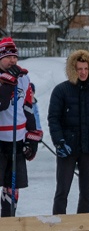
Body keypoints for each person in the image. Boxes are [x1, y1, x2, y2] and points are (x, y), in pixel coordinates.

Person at [48, 49, 89, 215]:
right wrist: (59, 142)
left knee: (87, 193)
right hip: (68, 147)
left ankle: (82, 224)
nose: (83, 72)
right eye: (79, 69)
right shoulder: (61, 90)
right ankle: (58, 224)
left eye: (86, 68)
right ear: (73, 70)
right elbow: (54, 119)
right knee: (62, 190)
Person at [0, 37, 42, 216]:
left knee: (12, 187)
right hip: (0, 140)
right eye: (8, 56)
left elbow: (27, 107)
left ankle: (8, 223)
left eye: (15, 57)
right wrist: (8, 81)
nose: (13, 60)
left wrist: (32, 138)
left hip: (17, 139)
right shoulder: (7, 78)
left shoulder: (23, 78)